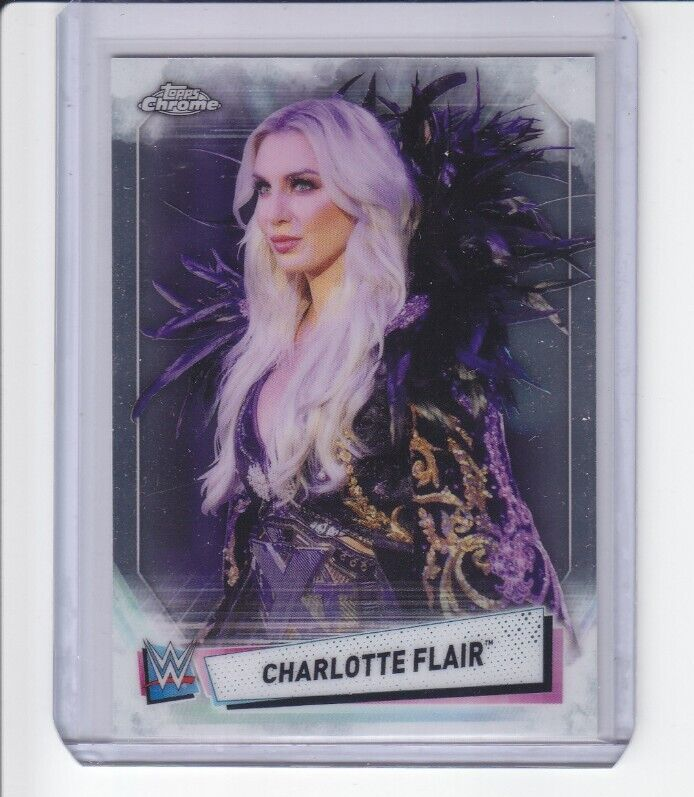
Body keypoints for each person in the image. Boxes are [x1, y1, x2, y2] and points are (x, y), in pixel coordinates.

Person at [135, 79, 578, 644]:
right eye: (265, 188)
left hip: (388, 671)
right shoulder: (258, 352)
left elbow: (484, 556)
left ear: (363, 194)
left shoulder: (423, 358)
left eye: (302, 185)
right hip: (274, 671)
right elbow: (247, 558)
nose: (275, 214)